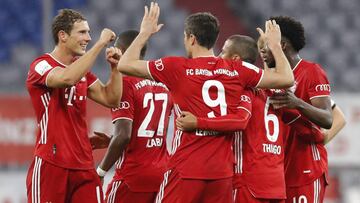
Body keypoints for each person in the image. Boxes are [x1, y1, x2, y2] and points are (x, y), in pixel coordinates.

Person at [117, 3, 294, 203]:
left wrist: (144, 34)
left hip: (185, 168)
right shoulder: (237, 69)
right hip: (221, 173)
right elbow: (287, 79)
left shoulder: (175, 67)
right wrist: (276, 46)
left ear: (191, 38)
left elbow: (125, 65)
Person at [176, 35, 325, 203]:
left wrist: (197, 122)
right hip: (276, 185)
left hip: (248, 182)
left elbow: (239, 120)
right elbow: (313, 132)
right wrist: (318, 136)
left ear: (236, 59)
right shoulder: (276, 93)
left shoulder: (243, 90)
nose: (218, 58)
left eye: (223, 52)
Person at [26, 9, 121, 203]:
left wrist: (115, 68)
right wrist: (101, 43)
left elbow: (111, 99)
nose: (88, 38)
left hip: (84, 164)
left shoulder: (81, 70)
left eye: (89, 33)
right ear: (63, 35)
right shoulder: (41, 65)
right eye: (82, 32)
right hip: (51, 164)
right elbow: (67, 78)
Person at [259, 16, 333, 203]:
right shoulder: (271, 78)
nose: (261, 49)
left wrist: (297, 103)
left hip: (305, 171)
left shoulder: (311, 71)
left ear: (281, 45)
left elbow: (328, 119)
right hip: (279, 172)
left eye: (267, 43)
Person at [94, 30, 173, 203]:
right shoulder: (162, 84)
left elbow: (124, 135)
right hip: (162, 175)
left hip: (133, 177)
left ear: (122, 50)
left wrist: (100, 171)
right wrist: (111, 141)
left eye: (115, 48)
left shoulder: (124, 85)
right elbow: (147, 130)